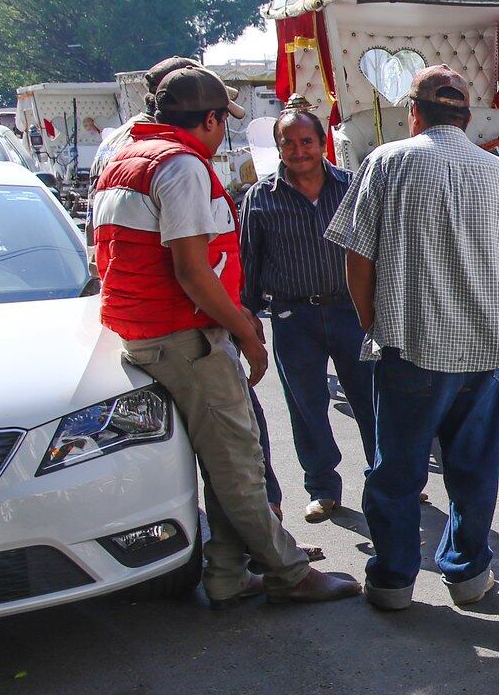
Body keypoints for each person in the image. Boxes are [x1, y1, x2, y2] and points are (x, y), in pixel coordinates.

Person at [89, 58, 359, 609]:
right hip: (184, 335)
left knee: (223, 459)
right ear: (209, 121)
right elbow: (192, 271)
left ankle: (229, 574)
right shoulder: (181, 166)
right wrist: (246, 331)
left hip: (148, 331)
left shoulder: (121, 160)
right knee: (239, 461)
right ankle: (286, 570)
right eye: (224, 121)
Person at [328, 65, 499, 611]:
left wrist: (371, 318)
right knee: (473, 471)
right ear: (467, 118)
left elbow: (358, 257)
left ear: (414, 113)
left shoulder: (386, 162)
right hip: (484, 354)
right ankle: (469, 575)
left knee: (397, 471)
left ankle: (394, 581)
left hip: (411, 349)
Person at [239, 107, 376, 524]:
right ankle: (322, 488)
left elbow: (373, 252)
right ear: (278, 148)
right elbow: (249, 264)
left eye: (306, 142)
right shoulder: (259, 198)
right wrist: (246, 323)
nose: (298, 151)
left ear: (322, 144)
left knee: (371, 400)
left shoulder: (351, 188)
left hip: (351, 312)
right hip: (292, 318)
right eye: (288, 143)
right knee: (306, 406)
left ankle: (387, 480)